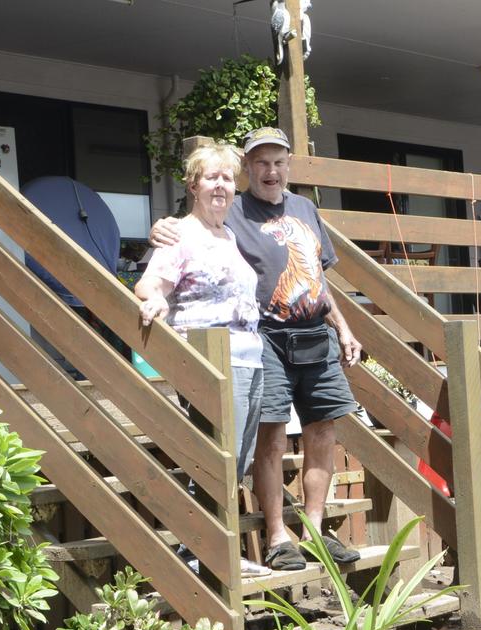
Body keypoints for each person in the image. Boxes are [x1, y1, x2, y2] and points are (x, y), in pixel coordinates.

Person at [150, 127, 362, 572]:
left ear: (289, 166)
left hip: (315, 336)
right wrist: (162, 226)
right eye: (261, 163)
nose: (271, 171)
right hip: (264, 337)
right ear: (247, 168)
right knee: (271, 433)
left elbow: (319, 281)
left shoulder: (305, 208)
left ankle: (315, 531)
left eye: (279, 162)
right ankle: (277, 537)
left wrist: (343, 328)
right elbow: (192, 228)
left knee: (323, 432)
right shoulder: (233, 209)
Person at [135, 142, 270, 577]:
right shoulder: (181, 234)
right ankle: (200, 553)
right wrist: (154, 301)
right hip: (210, 361)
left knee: (237, 460)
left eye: (228, 178)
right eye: (211, 177)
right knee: (214, 457)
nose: (221, 185)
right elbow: (151, 284)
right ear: (193, 185)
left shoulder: (228, 234)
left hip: (249, 357)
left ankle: (213, 549)